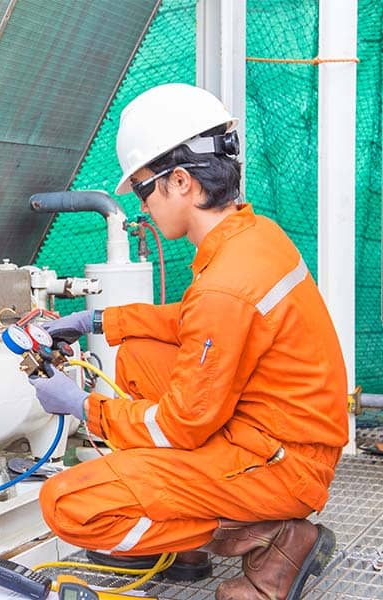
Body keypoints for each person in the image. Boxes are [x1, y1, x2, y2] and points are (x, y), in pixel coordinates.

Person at [28, 83, 348, 600]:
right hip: (280, 435)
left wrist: (85, 407)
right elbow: (198, 323)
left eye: (142, 190)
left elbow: (180, 422)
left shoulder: (225, 283)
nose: (142, 205)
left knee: (67, 504)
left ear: (180, 181)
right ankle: (195, 528)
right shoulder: (255, 237)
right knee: (134, 355)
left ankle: (274, 540)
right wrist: (98, 320)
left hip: (280, 465)